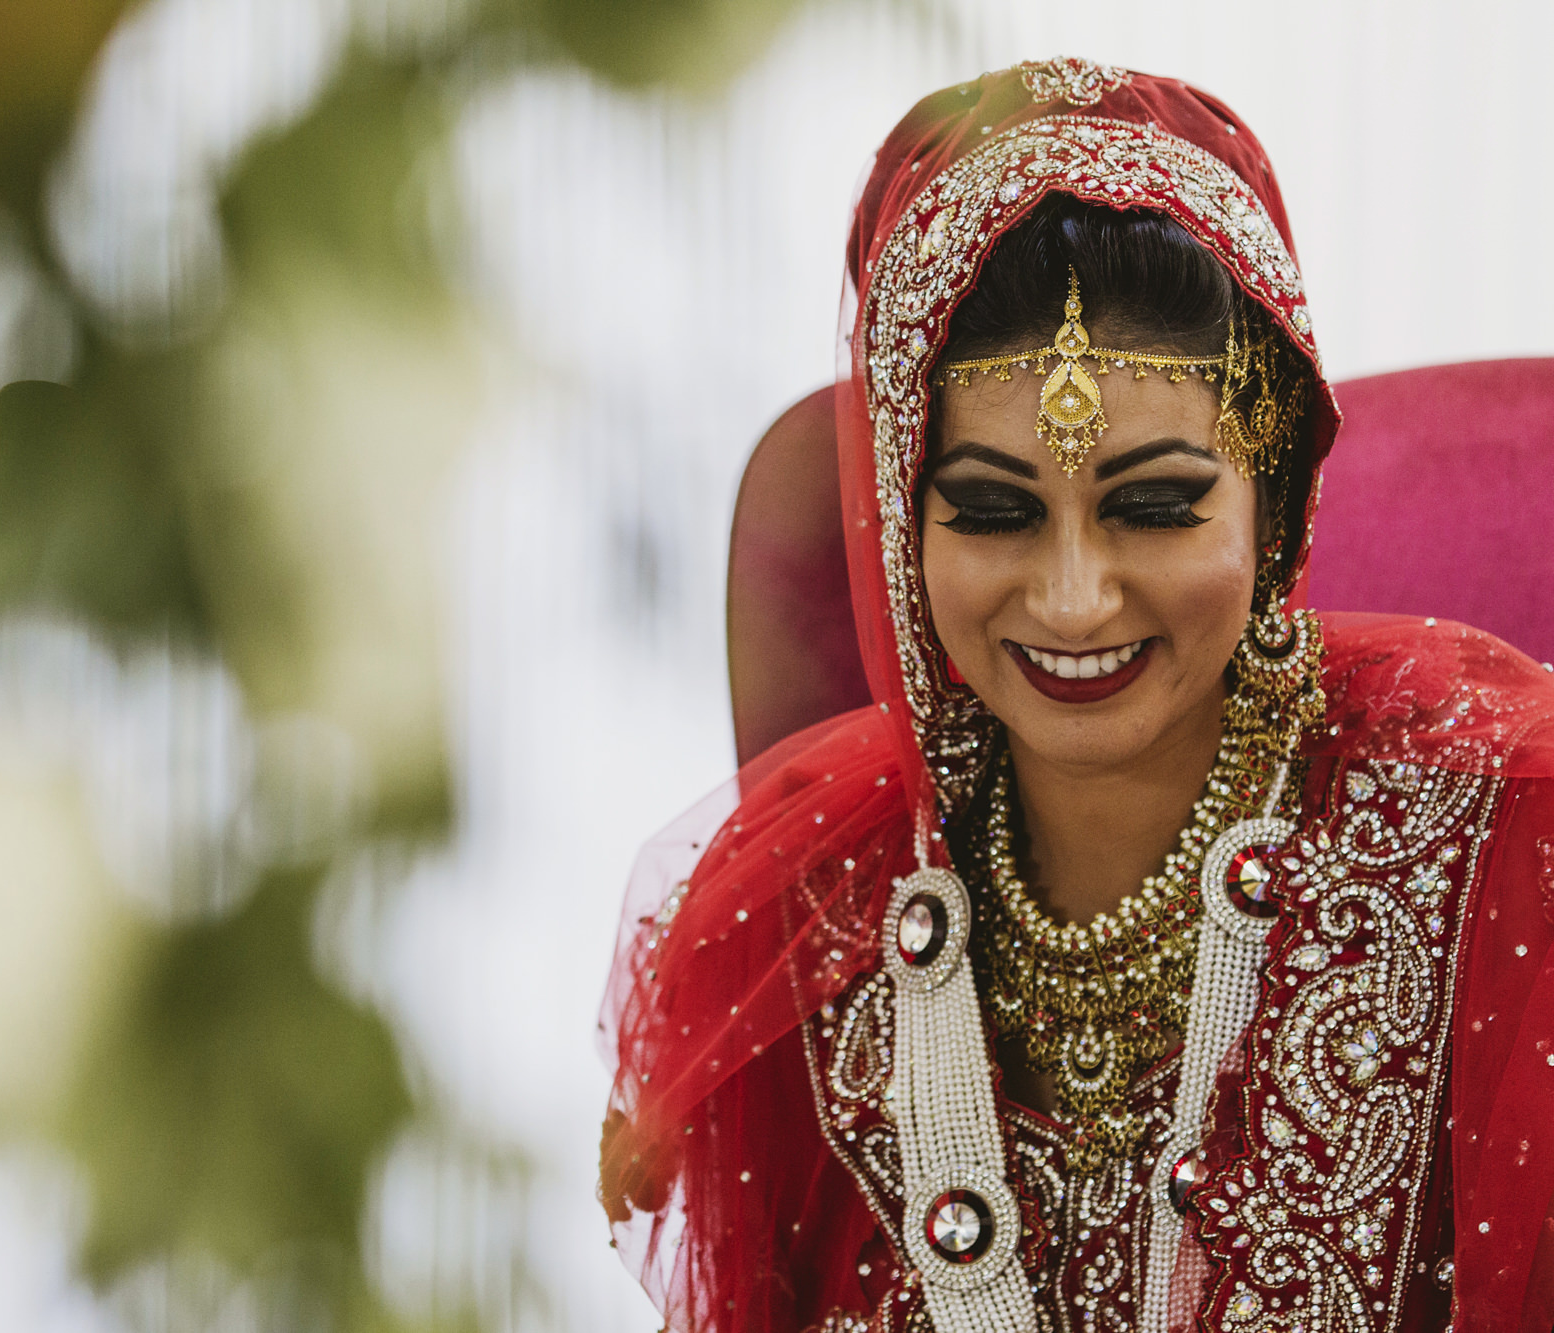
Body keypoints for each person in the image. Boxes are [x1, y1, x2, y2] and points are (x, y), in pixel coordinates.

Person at [597, 58, 1554, 1333]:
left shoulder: (1498, 837)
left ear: (1273, 504)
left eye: (1152, 507)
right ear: (898, 527)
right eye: (990, 512)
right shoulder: (792, 941)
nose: (1069, 600)